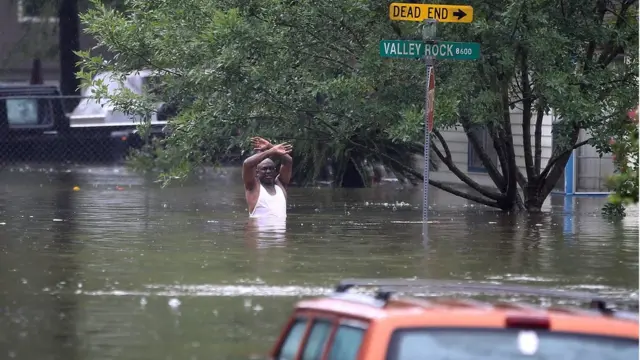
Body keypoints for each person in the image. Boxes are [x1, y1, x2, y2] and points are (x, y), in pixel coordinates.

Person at [242, 137, 293, 218]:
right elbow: (247, 164)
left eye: (271, 168)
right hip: (259, 231)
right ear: (257, 172)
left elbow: (289, 162)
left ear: (275, 171)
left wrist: (270, 146)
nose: (268, 171)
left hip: (280, 230)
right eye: (264, 169)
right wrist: (271, 151)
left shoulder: (281, 184)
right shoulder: (252, 186)